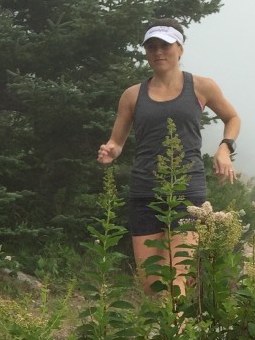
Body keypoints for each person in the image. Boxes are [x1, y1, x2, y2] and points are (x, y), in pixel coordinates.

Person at [97, 18, 241, 293]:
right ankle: (170, 333)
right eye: (151, 46)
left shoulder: (201, 87)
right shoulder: (132, 95)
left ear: (180, 49)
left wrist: (225, 147)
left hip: (186, 189)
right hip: (144, 192)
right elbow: (117, 142)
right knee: (152, 284)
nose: (158, 52)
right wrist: (110, 152)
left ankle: (175, 335)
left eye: (165, 45)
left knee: (177, 277)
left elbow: (232, 117)